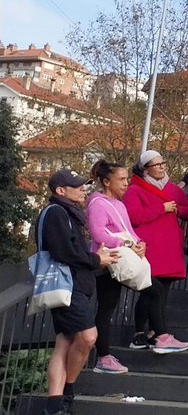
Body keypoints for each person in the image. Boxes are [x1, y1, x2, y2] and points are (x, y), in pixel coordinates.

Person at [39, 169, 120, 415]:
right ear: (60, 190)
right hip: (67, 285)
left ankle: (56, 403)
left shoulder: (70, 212)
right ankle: (67, 391)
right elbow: (64, 252)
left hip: (78, 284)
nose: (83, 188)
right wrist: (96, 259)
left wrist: (97, 258)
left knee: (66, 340)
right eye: (77, 186)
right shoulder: (56, 212)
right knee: (88, 337)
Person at [123, 150, 188, 352]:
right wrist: (161, 208)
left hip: (169, 246)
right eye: (157, 164)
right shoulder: (135, 190)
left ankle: (155, 332)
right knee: (150, 291)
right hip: (149, 247)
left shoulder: (172, 189)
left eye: (163, 163)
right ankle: (141, 333)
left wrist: (178, 210)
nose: (163, 167)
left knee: (162, 292)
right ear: (145, 169)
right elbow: (133, 216)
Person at [85, 160, 146, 374]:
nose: (126, 183)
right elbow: (98, 234)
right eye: (121, 179)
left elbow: (128, 230)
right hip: (107, 263)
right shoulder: (97, 203)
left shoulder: (119, 204)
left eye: (127, 178)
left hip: (121, 260)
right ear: (106, 181)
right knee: (106, 307)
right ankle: (103, 357)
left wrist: (140, 243)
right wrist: (125, 244)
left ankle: (158, 334)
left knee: (150, 290)